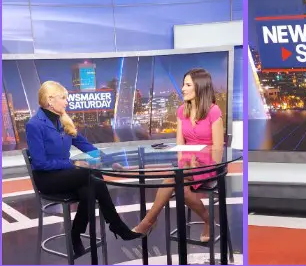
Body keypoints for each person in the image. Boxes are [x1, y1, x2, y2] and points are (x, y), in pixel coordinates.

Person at [26, 81, 141, 258]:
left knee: (89, 187)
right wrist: (73, 165)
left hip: (66, 176)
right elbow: (40, 163)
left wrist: (110, 161)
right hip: (47, 178)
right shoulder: (35, 125)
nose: (67, 102)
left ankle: (76, 233)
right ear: (49, 100)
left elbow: (86, 146)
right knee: (91, 175)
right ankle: (116, 226)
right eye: (63, 98)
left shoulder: (63, 121)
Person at [132, 68, 224, 242]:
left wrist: (199, 164)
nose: (183, 88)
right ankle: (208, 221)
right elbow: (180, 145)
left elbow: (218, 150)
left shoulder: (213, 111)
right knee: (179, 184)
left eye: (188, 85)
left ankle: (148, 221)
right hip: (188, 163)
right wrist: (185, 164)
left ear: (200, 87)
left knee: (172, 178)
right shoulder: (182, 111)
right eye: (183, 84)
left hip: (209, 164)